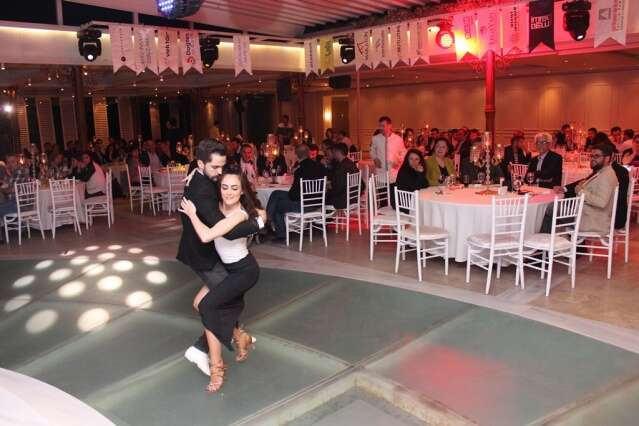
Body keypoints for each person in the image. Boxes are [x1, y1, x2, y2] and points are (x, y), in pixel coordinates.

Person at [177, 140, 266, 383]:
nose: (219, 173)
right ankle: (210, 350)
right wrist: (257, 223)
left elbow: (234, 210)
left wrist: (256, 217)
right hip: (203, 254)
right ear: (201, 164)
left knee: (208, 304)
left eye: (222, 167)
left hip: (228, 260)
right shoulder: (203, 192)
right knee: (214, 305)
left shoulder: (204, 174)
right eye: (215, 168)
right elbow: (226, 231)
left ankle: (228, 341)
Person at [266, 144, 326, 242]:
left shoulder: (300, 170)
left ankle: (279, 234)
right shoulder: (320, 167)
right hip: (317, 202)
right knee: (276, 193)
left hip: (304, 204)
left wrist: (290, 195)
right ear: (308, 153)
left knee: (277, 205)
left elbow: (293, 196)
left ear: (296, 155)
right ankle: (267, 221)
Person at [558, 144, 619, 233]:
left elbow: (601, 202)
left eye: (597, 156)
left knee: (549, 208)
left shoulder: (606, 176)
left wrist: (580, 191)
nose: (593, 159)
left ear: (607, 158)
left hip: (591, 221)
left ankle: (547, 241)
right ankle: (561, 240)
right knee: (554, 208)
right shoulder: (602, 172)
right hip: (587, 216)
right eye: (592, 156)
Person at [369, 116, 405, 183]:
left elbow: (403, 153)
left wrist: (399, 161)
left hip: (394, 172)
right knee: (382, 189)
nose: (380, 128)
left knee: (393, 188)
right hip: (380, 173)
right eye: (379, 126)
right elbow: (372, 151)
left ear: (390, 126)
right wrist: (375, 158)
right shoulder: (375, 138)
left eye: (383, 126)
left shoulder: (398, 139)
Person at [327, 143, 358, 209]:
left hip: (342, 200)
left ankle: (325, 215)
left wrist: (329, 186)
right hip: (353, 197)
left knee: (323, 197)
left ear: (338, 152)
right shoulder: (350, 163)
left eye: (333, 152)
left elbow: (338, 187)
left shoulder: (341, 167)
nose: (333, 155)